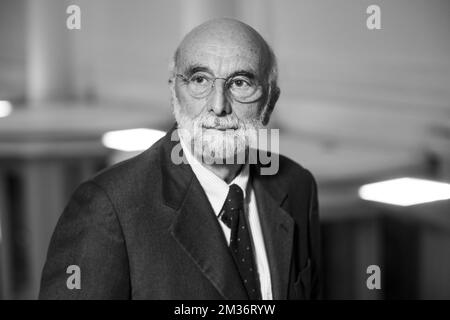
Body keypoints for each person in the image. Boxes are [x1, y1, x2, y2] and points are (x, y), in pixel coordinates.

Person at [39, 18, 321, 300]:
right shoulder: (108, 208)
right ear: (174, 92)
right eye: (200, 80)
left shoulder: (297, 186)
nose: (219, 106)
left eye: (240, 83)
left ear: (270, 102)